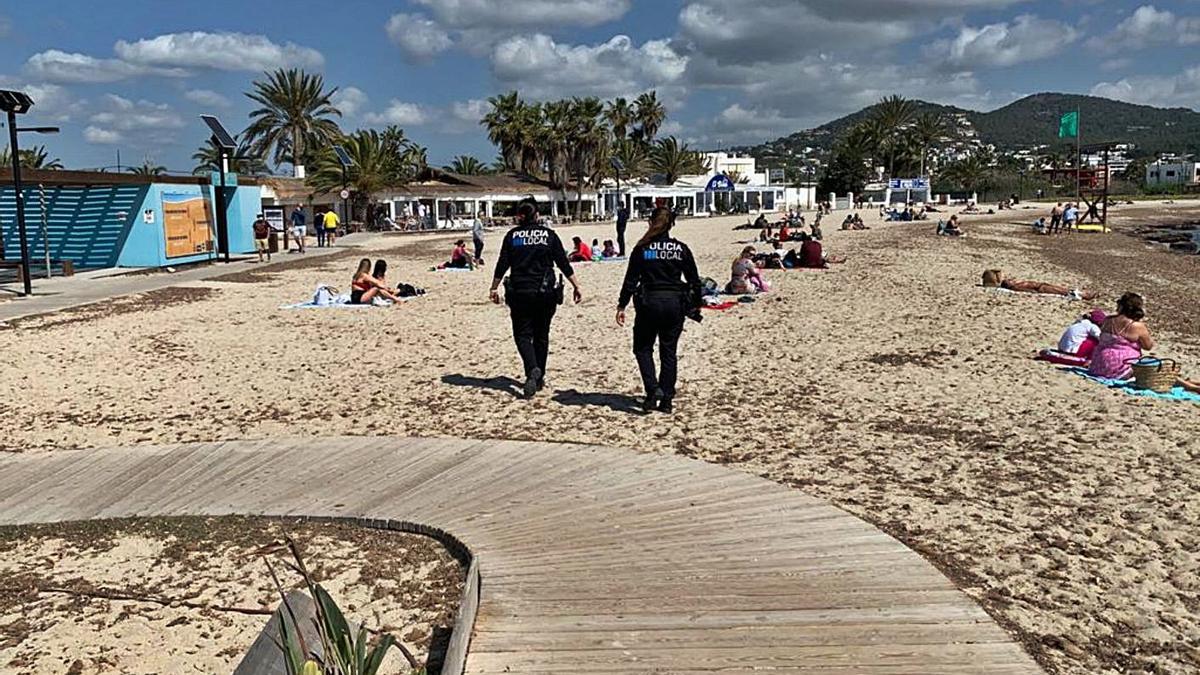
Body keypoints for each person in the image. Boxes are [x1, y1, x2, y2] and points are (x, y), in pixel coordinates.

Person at [490, 199, 583, 398]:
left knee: (522, 335)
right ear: (537, 216)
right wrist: (576, 285)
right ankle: (538, 377)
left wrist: (494, 287)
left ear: (519, 216)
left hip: (520, 292)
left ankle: (532, 369)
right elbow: (562, 263)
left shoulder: (512, 236)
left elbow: (502, 263)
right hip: (545, 292)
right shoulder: (549, 235)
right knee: (542, 335)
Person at [617, 206, 702, 413]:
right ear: (671, 224)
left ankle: (652, 389)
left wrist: (622, 305)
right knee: (668, 351)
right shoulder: (681, 249)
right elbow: (694, 280)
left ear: (650, 223)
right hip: (674, 303)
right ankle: (666, 398)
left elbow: (631, 280)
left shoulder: (642, 249)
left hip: (649, 303)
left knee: (642, 348)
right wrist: (695, 305)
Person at [1089, 293, 1154, 380]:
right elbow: (1148, 346)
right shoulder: (1136, 326)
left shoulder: (1107, 320)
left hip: (1098, 364)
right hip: (1121, 366)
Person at [981, 269, 1097, 299]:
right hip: (1040, 288)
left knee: (1062, 289)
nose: (1009, 278)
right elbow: (1027, 290)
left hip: (1040, 286)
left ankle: (1081, 293)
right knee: (1063, 291)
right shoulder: (1013, 285)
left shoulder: (1011, 283)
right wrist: (1033, 291)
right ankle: (1083, 294)